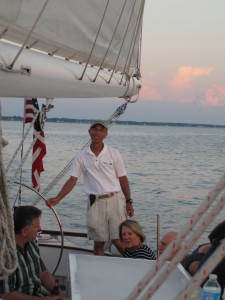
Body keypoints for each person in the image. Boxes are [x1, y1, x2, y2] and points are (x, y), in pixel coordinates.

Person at [46, 120, 134, 256]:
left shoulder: (114, 153)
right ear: (89, 132)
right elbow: (72, 180)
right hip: (95, 202)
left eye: (101, 130)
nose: (97, 132)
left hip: (115, 200)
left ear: (106, 134)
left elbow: (123, 178)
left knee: (119, 239)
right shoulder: (81, 156)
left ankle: (133, 267)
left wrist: (129, 201)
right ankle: (98, 272)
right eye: (94, 129)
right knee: (98, 242)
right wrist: (58, 198)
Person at [0, 206, 64, 300]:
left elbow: (43, 274)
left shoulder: (32, 245)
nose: (40, 229)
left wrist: (60, 294)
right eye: (36, 227)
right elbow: (7, 295)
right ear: (24, 232)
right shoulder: (5, 255)